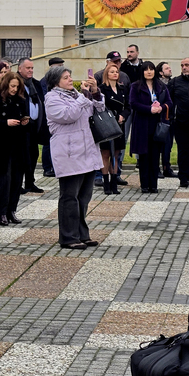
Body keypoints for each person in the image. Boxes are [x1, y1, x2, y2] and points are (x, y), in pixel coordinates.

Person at [45, 65, 104, 249]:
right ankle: (68, 237)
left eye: (70, 76)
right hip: (69, 153)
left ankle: (81, 234)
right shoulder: (52, 98)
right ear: (56, 82)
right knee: (69, 197)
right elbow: (68, 115)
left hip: (86, 150)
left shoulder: (77, 95)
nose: (70, 80)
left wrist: (94, 93)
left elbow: (98, 109)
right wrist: (84, 98)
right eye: (65, 77)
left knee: (84, 197)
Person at [0, 71, 29, 226]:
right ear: (5, 84)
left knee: (17, 181)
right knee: (4, 181)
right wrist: (5, 122)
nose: (14, 89)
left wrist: (25, 122)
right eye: (12, 86)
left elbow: (26, 119)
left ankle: (12, 211)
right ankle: (2, 213)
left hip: (17, 146)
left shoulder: (21, 101)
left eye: (17, 86)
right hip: (0, 147)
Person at [129, 62, 172, 193]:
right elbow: (133, 103)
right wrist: (149, 109)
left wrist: (161, 108)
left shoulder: (161, 86)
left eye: (151, 69)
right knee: (144, 156)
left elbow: (169, 102)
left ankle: (153, 185)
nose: (149, 72)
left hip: (156, 124)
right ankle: (144, 185)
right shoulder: (135, 86)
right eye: (146, 70)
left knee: (155, 156)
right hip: (142, 124)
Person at [99, 62, 129, 195]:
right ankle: (105, 183)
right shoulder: (102, 89)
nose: (114, 74)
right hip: (107, 124)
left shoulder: (122, 88)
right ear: (106, 74)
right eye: (111, 72)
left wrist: (123, 115)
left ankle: (114, 182)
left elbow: (128, 106)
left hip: (119, 124)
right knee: (105, 154)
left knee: (116, 155)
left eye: (116, 72)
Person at [17, 58, 45, 194]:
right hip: (21, 125)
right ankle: (18, 183)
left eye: (32, 68)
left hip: (34, 125)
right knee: (23, 156)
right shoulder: (16, 83)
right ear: (19, 68)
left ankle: (30, 182)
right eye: (27, 68)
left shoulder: (35, 84)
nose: (30, 70)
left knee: (34, 154)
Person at [169, 57, 189, 187]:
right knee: (183, 151)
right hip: (181, 122)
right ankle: (184, 177)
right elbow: (169, 101)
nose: (184, 67)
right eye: (182, 65)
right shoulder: (175, 82)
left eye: (187, 65)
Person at [154, 61, 175, 178]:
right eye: (167, 68)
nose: (170, 70)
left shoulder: (173, 84)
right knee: (158, 145)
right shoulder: (157, 86)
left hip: (170, 118)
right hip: (158, 118)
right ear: (161, 73)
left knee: (168, 145)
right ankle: (156, 168)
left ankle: (167, 167)